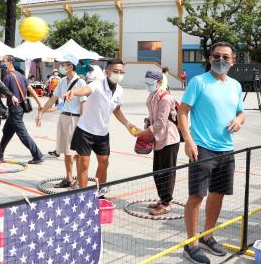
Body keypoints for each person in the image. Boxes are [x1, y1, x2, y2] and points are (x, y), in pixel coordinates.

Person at [177, 42, 245, 264]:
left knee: (218, 194)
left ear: (233, 61)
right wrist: (188, 141)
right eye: (217, 56)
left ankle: (208, 235)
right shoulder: (198, 82)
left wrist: (238, 120)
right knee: (197, 196)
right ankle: (192, 243)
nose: (221, 61)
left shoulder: (235, 85)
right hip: (202, 148)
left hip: (226, 149)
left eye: (226, 57)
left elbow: (241, 113)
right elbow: (183, 112)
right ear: (210, 57)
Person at [64, 59, 138, 189]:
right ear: (107, 72)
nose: (119, 74)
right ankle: (84, 196)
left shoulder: (120, 90)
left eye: (121, 72)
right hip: (85, 131)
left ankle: (100, 192)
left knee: (104, 163)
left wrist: (127, 124)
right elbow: (85, 89)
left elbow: (116, 110)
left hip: (102, 133)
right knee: (84, 165)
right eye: (115, 71)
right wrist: (74, 92)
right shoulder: (97, 84)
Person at [134, 70, 180, 215]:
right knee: (157, 171)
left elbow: (161, 123)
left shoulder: (166, 98)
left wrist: (144, 133)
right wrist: (146, 125)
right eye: (146, 83)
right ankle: (162, 198)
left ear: (159, 83)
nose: (148, 85)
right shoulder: (153, 95)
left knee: (167, 171)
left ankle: (166, 203)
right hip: (158, 138)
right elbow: (153, 118)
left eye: (151, 83)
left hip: (169, 139)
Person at [37, 56, 87, 187]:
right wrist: (41, 112)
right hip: (63, 117)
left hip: (75, 118)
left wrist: (82, 123)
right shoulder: (63, 81)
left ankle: (78, 180)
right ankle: (68, 178)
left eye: (64, 65)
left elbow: (83, 104)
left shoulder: (80, 83)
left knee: (75, 153)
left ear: (71, 66)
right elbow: (53, 98)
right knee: (66, 151)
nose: (61, 67)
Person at [1, 56, 44, 164]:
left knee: (23, 134)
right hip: (19, 109)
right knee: (7, 132)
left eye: (4, 61)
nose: (2, 63)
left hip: (14, 109)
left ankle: (37, 155)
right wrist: (39, 103)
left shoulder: (7, 77)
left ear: (10, 63)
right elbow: (31, 90)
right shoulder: (21, 76)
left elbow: (3, 94)